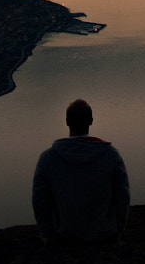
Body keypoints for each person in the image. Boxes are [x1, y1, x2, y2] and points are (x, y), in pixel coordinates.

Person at [31, 98, 130, 243]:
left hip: (64, 235)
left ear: (67, 121)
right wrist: (118, 230)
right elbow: (122, 197)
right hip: (104, 235)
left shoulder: (48, 158)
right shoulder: (111, 156)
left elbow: (40, 201)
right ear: (91, 121)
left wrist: (48, 234)